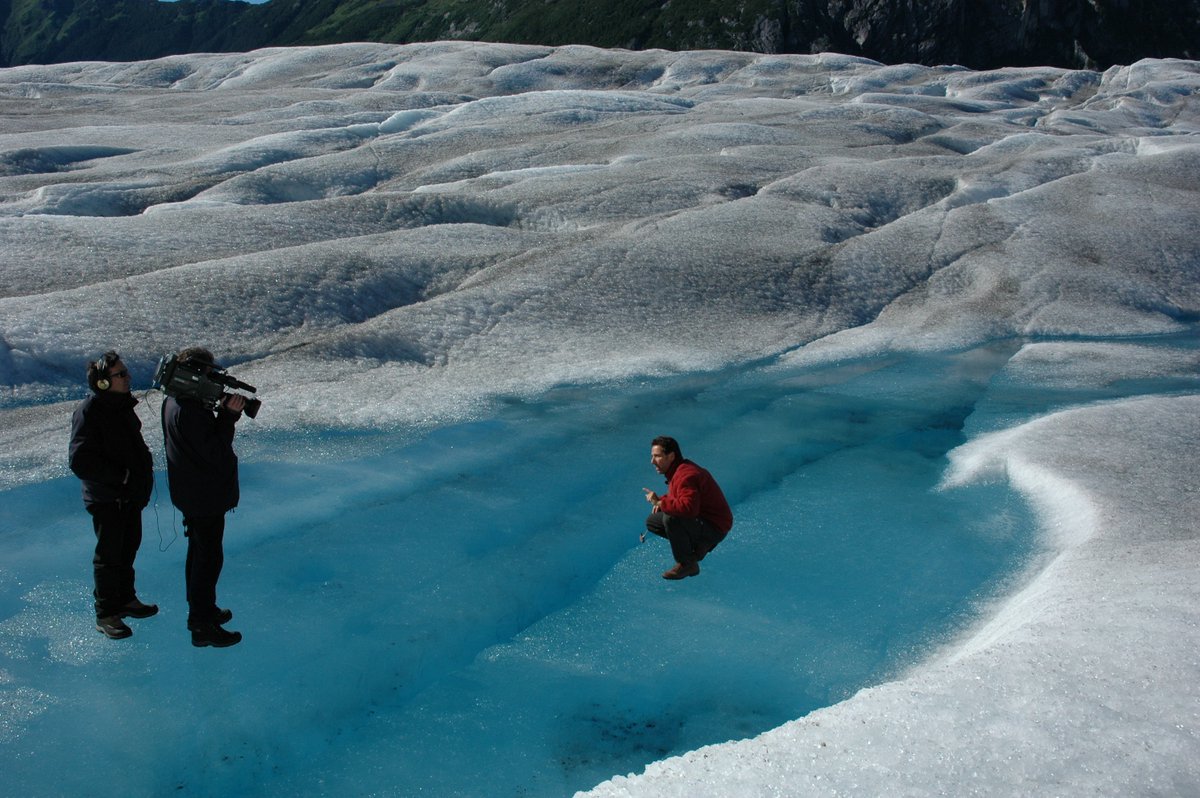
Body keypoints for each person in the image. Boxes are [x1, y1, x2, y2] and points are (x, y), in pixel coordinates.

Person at [68, 351, 157, 639]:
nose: (127, 377)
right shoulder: (89, 411)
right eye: (120, 374)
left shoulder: (121, 407)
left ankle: (126, 599)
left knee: (128, 548)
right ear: (103, 383)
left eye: (126, 372)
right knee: (108, 556)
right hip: (107, 498)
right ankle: (107, 615)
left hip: (128, 496)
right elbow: (80, 460)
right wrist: (122, 477)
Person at [161, 347, 244, 648]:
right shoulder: (190, 411)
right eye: (209, 373)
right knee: (208, 558)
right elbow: (214, 451)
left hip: (191, 493)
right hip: (203, 495)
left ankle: (202, 609)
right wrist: (228, 417)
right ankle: (201, 624)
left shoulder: (175, 401)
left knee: (198, 553)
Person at [643, 435, 733, 580]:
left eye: (657, 456)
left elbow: (688, 509)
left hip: (715, 527)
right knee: (653, 522)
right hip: (703, 520)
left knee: (671, 518)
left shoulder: (686, 475)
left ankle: (687, 564)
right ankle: (700, 546)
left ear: (671, 456)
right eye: (652, 456)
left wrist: (660, 503)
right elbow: (681, 497)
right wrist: (662, 501)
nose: (652, 461)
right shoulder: (678, 471)